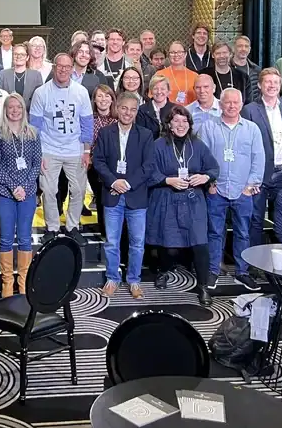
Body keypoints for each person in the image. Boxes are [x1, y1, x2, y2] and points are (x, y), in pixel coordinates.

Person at [146, 105, 218, 307]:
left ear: (190, 124)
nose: (181, 125)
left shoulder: (198, 145)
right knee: (169, 246)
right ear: (169, 124)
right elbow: (150, 172)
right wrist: (168, 180)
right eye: (176, 121)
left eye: (184, 121)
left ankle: (203, 286)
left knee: (200, 244)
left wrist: (205, 177)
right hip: (167, 199)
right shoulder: (158, 145)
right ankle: (163, 271)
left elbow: (213, 168)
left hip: (193, 201)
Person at [198, 88, 265, 291]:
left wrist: (250, 187)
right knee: (214, 232)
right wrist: (209, 184)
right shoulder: (208, 127)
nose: (232, 106)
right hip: (216, 190)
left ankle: (242, 272)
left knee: (243, 232)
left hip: (243, 190)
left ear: (241, 104)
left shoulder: (252, 129)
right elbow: (202, 157)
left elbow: (258, 159)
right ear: (220, 104)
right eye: (227, 102)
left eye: (236, 102)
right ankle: (213, 271)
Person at [92, 92, 155, 299]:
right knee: (112, 242)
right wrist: (114, 182)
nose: (128, 113)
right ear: (117, 109)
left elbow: (148, 166)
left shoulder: (145, 135)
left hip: (136, 196)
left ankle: (134, 280)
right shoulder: (105, 133)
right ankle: (112, 279)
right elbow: (98, 161)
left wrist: (127, 184)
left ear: (137, 112)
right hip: (112, 195)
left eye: (133, 109)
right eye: (124, 108)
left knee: (137, 243)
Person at [241, 67, 282, 251]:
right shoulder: (249, 110)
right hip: (258, 175)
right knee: (255, 219)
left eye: (276, 82)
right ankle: (255, 260)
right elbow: (244, 146)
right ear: (260, 85)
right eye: (268, 82)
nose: (272, 86)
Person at [30, 53, 94, 246]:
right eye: (60, 66)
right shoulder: (41, 92)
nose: (63, 70)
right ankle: (52, 227)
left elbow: (87, 123)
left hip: (75, 149)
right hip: (49, 148)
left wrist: (86, 151)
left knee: (78, 190)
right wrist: (38, 153)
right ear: (54, 67)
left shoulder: (81, 92)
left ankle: (72, 226)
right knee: (49, 190)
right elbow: (35, 126)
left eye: (67, 66)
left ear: (72, 68)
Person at [0, 93, 42, 297]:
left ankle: (24, 282)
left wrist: (24, 187)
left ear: (23, 109)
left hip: (28, 193)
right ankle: (7, 283)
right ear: (5, 110)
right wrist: (13, 187)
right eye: (11, 107)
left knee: (25, 238)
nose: (15, 110)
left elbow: (36, 164)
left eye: (18, 106)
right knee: (6, 238)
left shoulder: (33, 133)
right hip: (4, 193)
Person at [89, 84, 118, 238]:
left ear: (112, 99)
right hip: (94, 166)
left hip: (114, 165)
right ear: (94, 99)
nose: (103, 99)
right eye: (99, 96)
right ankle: (104, 230)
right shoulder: (88, 119)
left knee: (112, 197)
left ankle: (115, 230)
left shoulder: (118, 120)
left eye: (107, 96)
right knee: (100, 197)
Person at [0, 44, 43, 109]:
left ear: (27, 57)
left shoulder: (36, 75)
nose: (18, 57)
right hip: (7, 113)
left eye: (22, 54)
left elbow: (39, 99)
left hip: (29, 113)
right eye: (16, 54)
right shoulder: (3, 74)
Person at [231, 36, 261, 104]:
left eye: (246, 46)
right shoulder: (227, 68)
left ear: (249, 49)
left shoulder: (256, 69)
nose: (243, 49)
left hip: (251, 107)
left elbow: (259, 92)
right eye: (240, 46)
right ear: (233, 48)